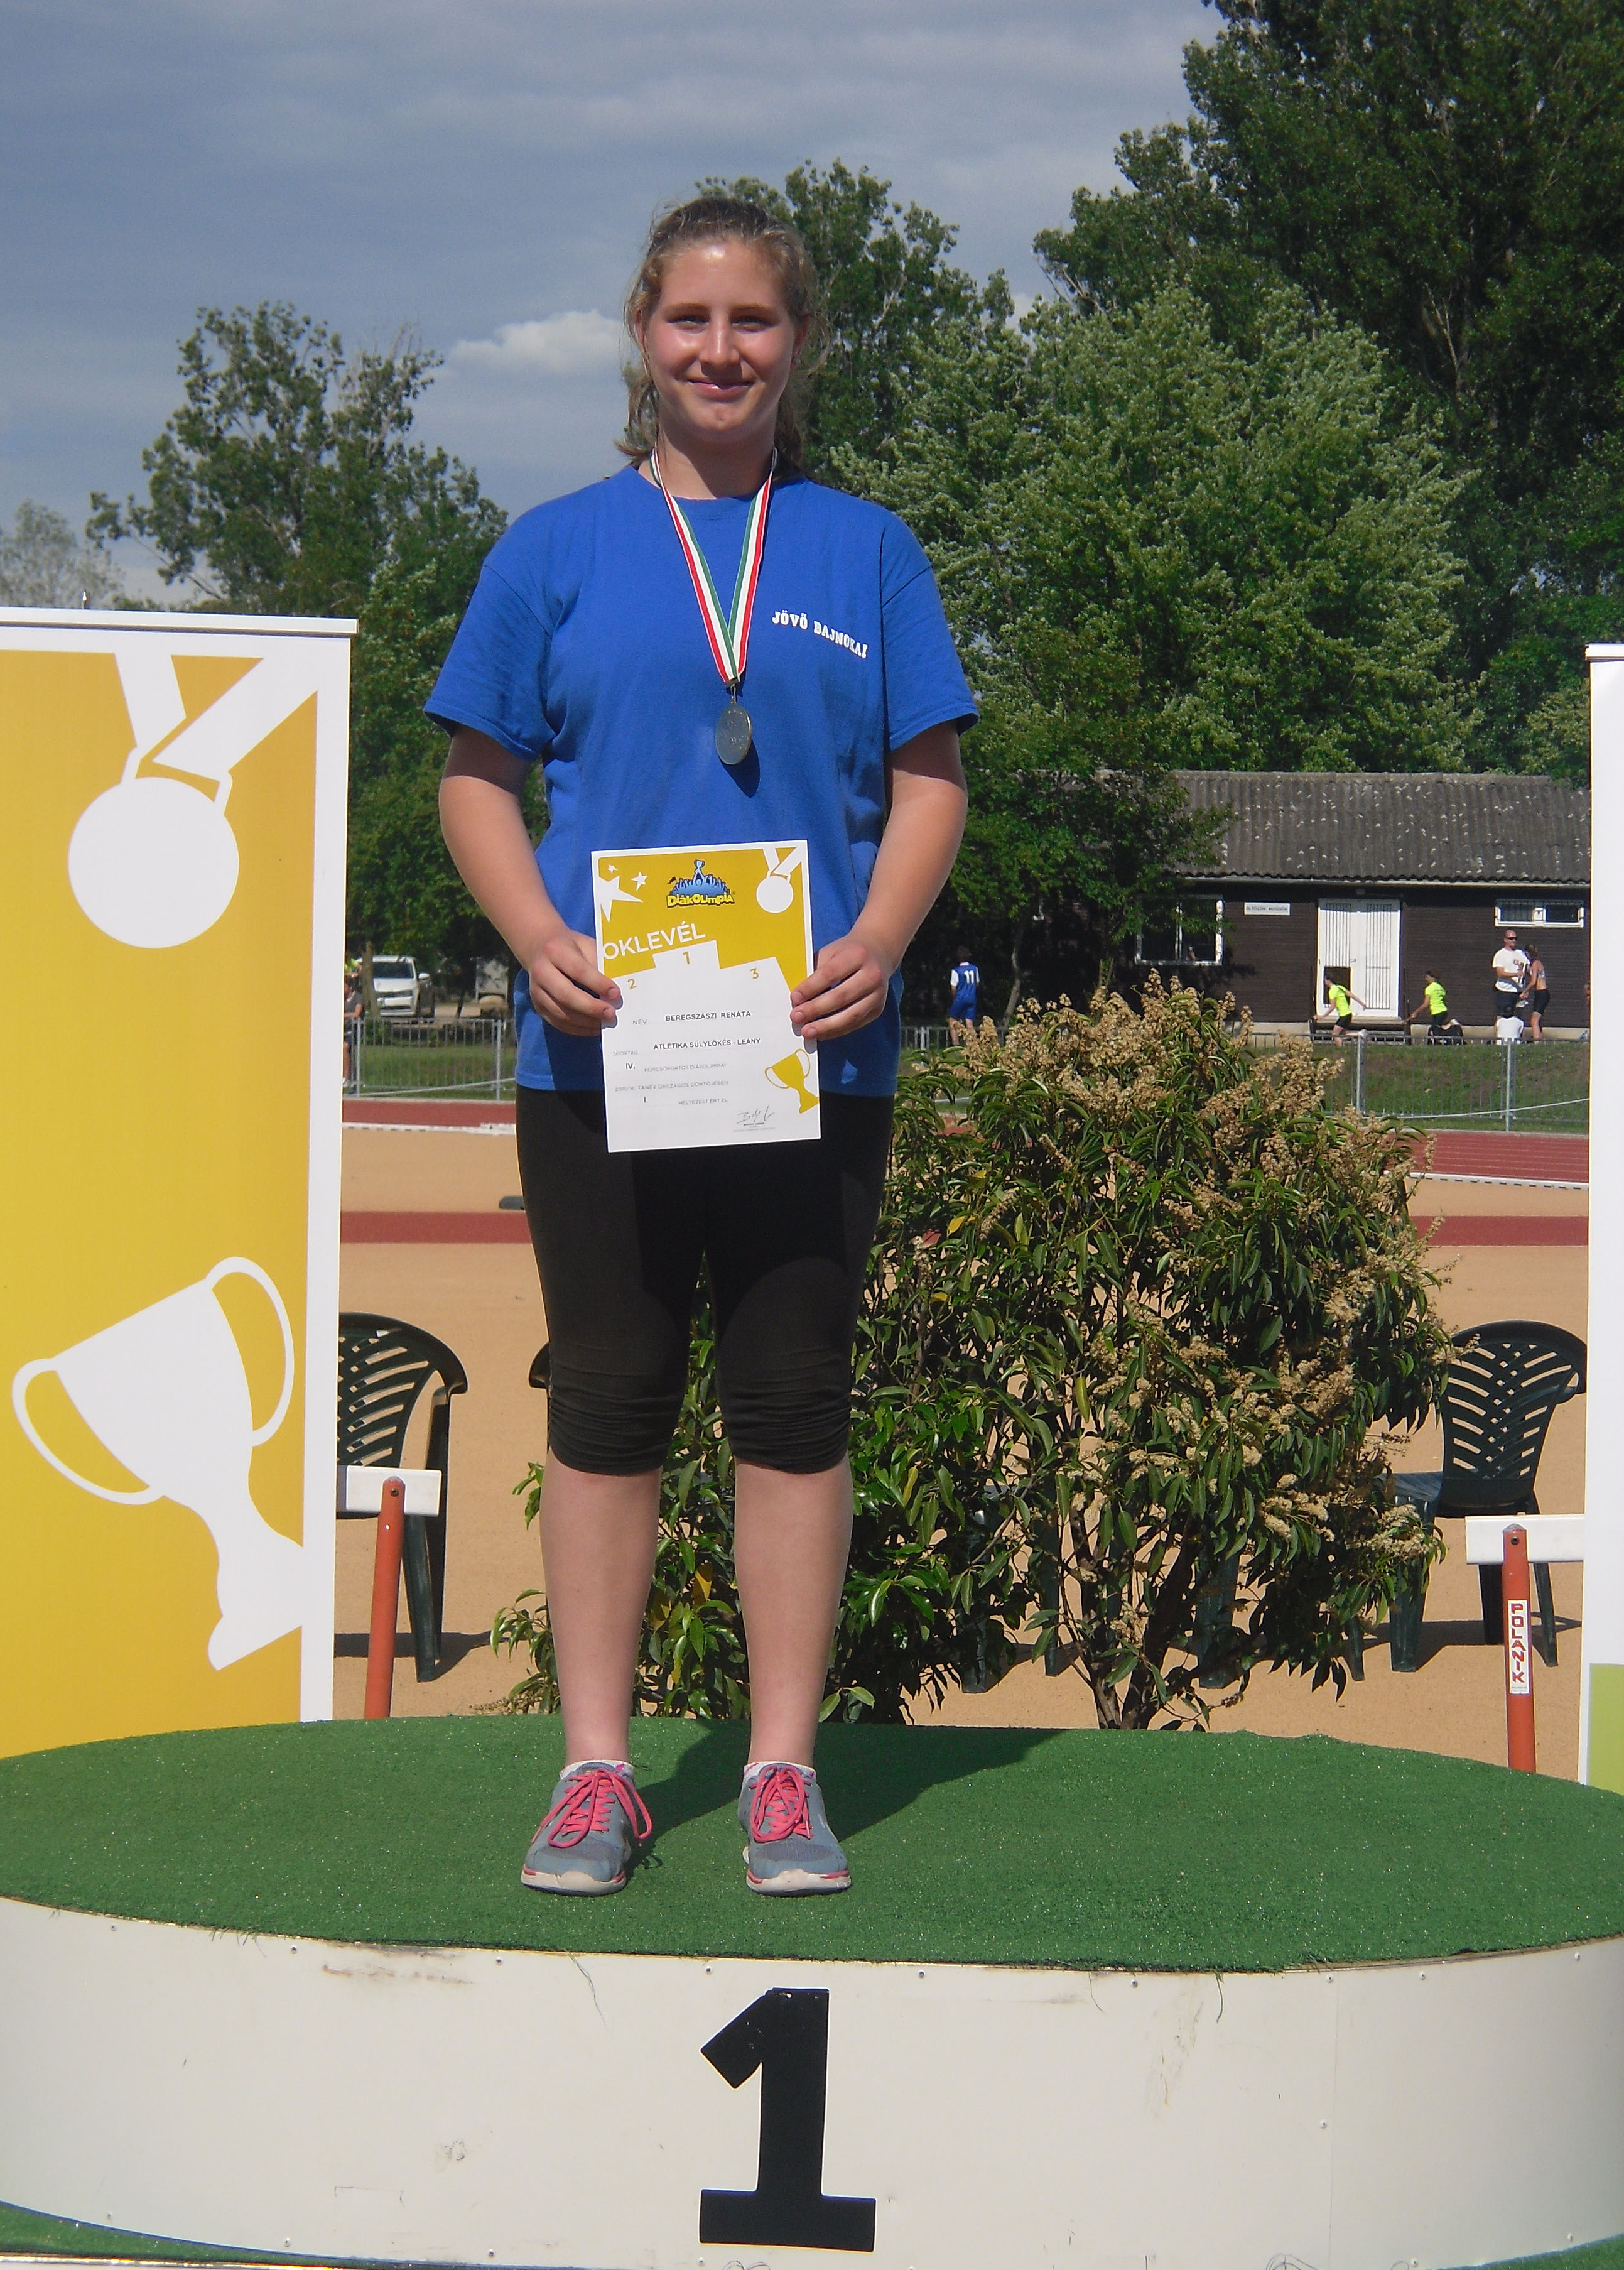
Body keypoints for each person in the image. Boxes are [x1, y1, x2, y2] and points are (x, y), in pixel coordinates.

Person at [430, 196, 972, 1899]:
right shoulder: (553, 549)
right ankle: (596, 1773)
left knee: (793, 1404)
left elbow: (932, 781)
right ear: (641, 334)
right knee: (606, 1401)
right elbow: (473, 781)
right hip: (601, 1056)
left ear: (797, 342)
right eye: (689, 319)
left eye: (752, 321)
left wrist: (880, 940)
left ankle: (781, 1774)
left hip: (812, 1055)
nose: (720, 350)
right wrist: (535, 936)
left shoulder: (865, 551)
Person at [1492, 926, 1529, 1040]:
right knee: (1501, 1017)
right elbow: (1500, 973)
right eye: (1511, 938)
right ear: (1505, 940)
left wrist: (1526, 989)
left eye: (1515, 938)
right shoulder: (1500, 954)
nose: (1513, 941)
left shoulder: (1520, 953)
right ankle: (1499, 1040)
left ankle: (1517, 1039)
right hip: (1504, 991)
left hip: (1518, 991)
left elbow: (1528, 968)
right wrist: (1516, 974)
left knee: (1518, 1016)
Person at [1409, 971, 1461, 1043]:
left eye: (1427, 977)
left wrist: (1416, 1012)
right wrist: (1431, 1008)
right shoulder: (1440, 987)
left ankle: (1450, 1026)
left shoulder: (1429, 989)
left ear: (1432, 978)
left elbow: (1425, 1004)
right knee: (1438, 1028)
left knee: (1435, 1029)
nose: (1425, 979)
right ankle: (1441, 1040)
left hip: (1438, 1012)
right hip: (1443, 1011)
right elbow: (1443, 999)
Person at [949, 945, 980, 1028]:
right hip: (972, 998)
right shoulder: (975, 968)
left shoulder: (956, 971)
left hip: (960, 998)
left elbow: (953, 988)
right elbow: (977, 984)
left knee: (953, 1020)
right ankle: (971, 1036)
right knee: (969, 1021)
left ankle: (954, 1037)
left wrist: (954, 998)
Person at [1525, 942, 1549, 1043]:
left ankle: (1537, 1043)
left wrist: (1525, 991)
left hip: (1541, 993)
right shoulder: (1537, 964)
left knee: (1534, 1020)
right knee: (1538, 1019)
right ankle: (1539, 1038)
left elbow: (1533, 981)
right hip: (1541, 993)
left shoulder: (1535, 964)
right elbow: (1530, 971)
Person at [1322, 973, 1355, 1041]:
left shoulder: (1332, 991)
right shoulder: (1339, 987)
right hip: (1348, 1014)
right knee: (1342, 1035)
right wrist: (1362, 1004)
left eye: (1325, 980)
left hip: (1344, 1016)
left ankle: (1359, 1034)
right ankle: (1358, 1035)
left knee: (1335, 1035)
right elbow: (1352, 995)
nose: (1325, 983)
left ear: (1328, 981)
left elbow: (1333, 1006)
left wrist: (1323, 1016)